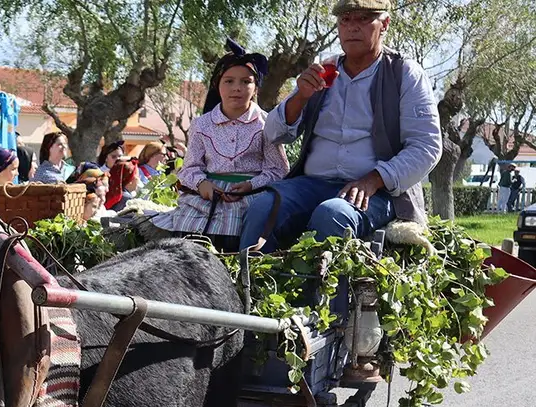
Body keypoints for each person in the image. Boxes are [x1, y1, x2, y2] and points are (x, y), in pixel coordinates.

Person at [238, 0, 441, 253]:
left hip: (378, 193)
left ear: (385, 24)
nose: (352, 27)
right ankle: (250, 290)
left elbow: (426, 146)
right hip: (312, 184)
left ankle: (316, 293)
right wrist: (300, 97)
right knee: (261, 207)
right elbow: (273, 133)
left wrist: (373, 180)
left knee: (331, 215)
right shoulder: (324, 71)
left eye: (363, 19)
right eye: (345, 19)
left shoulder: (404, 73)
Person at [145, 41, 290, 251]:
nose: (237, 88)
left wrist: (251, 185)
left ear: (256, 87)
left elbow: (277, 170)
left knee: (236, 237)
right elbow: (190, 167)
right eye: (229, 81)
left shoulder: (266, 124)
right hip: (207, 196)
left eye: (246, 81)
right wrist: (202, 184)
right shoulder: (202, 125)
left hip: (250, 196)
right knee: (188, 232)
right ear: (217, 85)